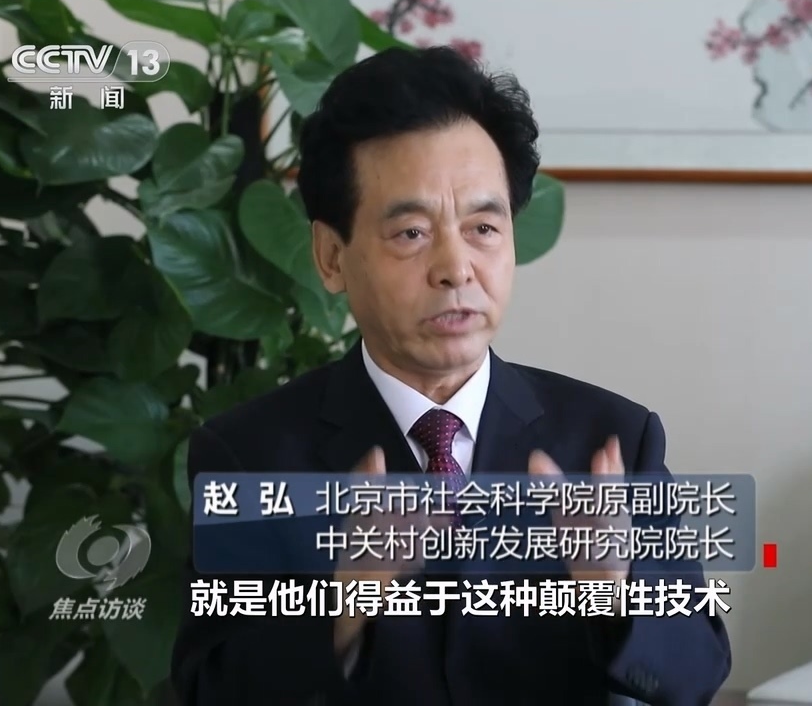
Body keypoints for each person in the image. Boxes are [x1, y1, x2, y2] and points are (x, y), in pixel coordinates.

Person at [170, 45, 732, 706]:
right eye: (411, 233)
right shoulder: (251, 454)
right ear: (331, 256)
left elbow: (696, 673)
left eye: (483, 227)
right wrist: (343, 608)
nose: (456, 268)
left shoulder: (611, 440)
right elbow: (210, 690)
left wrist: (613, 595)